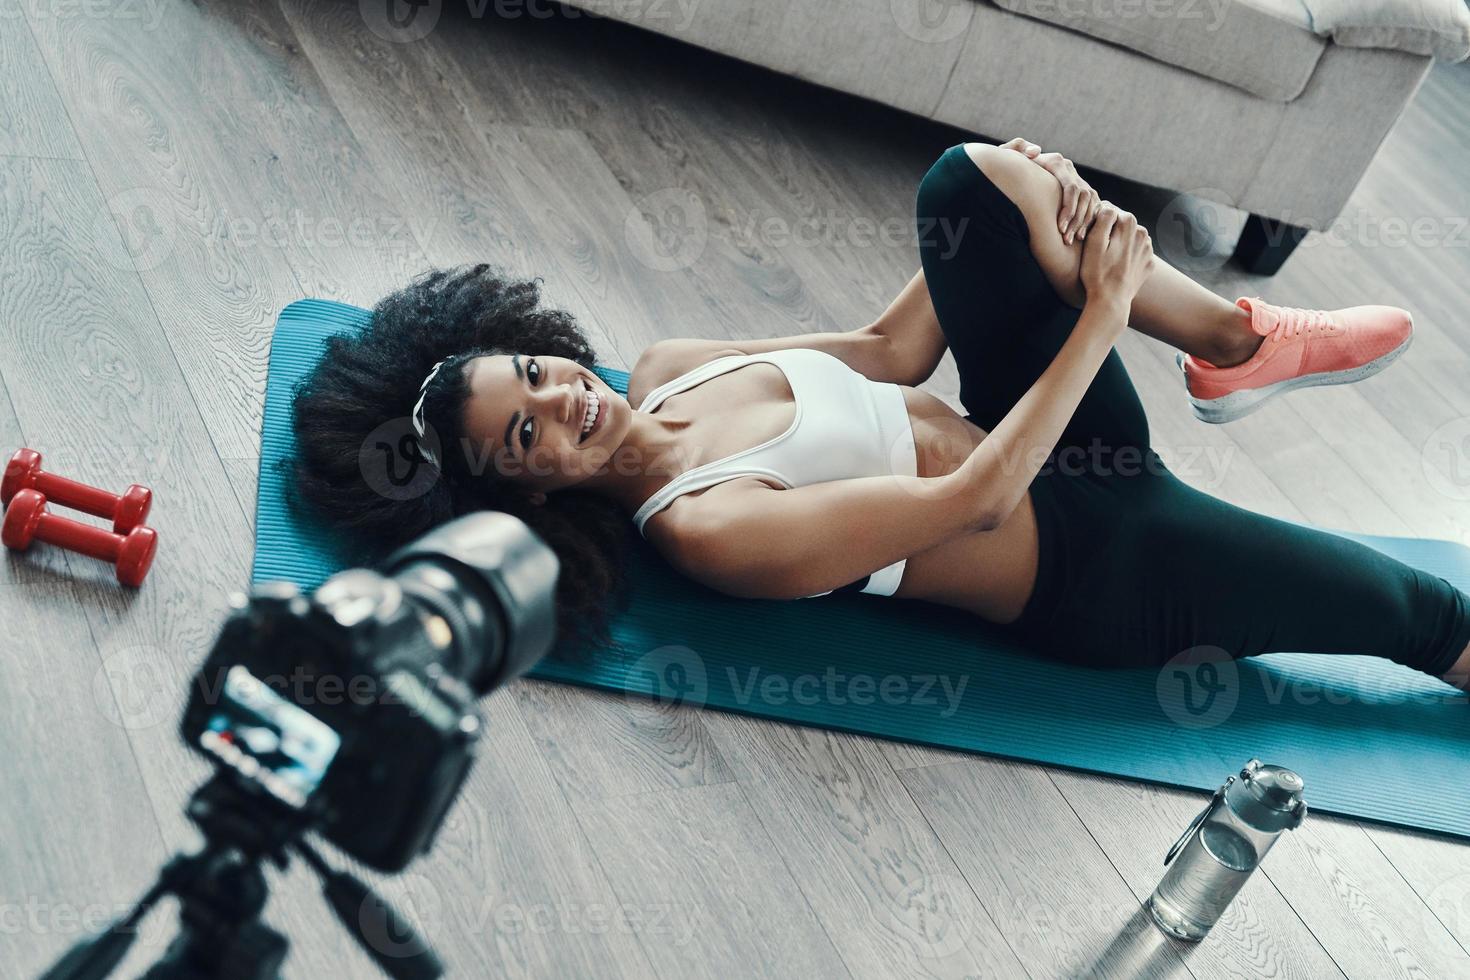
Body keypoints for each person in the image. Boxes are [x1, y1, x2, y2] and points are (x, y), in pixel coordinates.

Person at [290, 140, 1470, 685]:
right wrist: (1101, 307)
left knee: (973, 181)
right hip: (1103, 559)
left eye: (538, 378)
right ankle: (1213, 338)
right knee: (1420, 613)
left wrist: (1025, 203)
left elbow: (891, 348)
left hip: (1046, 429)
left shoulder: (669, 366)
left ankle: (1233, 343)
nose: (564, 402)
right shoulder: (702, 525)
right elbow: (976, 498)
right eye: (528, 434)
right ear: (531, 490)